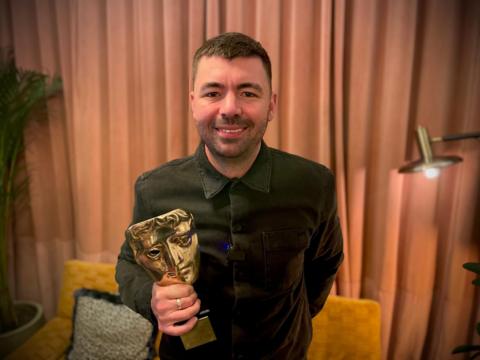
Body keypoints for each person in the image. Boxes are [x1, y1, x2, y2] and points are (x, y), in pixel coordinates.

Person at [116, 32, 344, 360]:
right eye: (213, 93)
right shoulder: (154, 189)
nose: (230, 108)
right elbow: (128, 263)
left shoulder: (314, 184)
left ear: (272, 105)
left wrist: (295, 319)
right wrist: (150, 297)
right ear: (193, 102)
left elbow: (325, 262)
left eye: (248, 92)